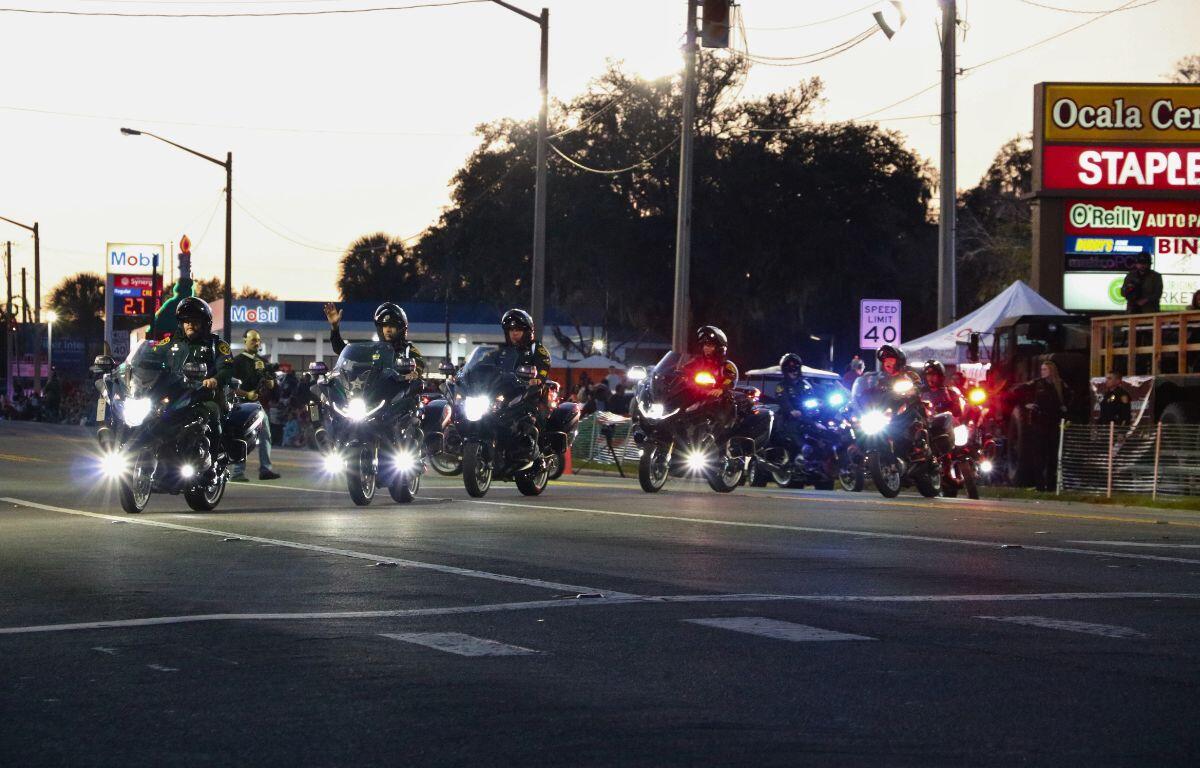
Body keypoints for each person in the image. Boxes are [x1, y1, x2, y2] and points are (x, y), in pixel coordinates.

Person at [157, 297, 235, 450]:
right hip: (172, 396)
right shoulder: (168, 343)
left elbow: (227, 368)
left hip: (203, 396)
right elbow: (150, 358)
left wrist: (214, 380)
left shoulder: (216, 345)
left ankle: (213, 455)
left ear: (205, 323)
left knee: (212, 411)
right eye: (186, 321)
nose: (190, 324)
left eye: (195, 321)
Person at [495, 309, 552, 465]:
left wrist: (538, 378)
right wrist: (464, 373)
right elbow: (485, 364)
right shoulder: (503, 351)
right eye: (511, 330)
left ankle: (540, 451)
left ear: (527, 331)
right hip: (506, 392)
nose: (514, 333)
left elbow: (544, 362)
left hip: (529, 392)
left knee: (536, 416)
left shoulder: (535, 348)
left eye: (518, 330)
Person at [229, 329, 280, 482]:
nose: (256, 343)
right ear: (245, 340)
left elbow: (271, 385)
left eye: (258, 340)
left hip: (256, 404)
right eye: (253, 340)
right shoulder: (237, 361)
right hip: (240, 403)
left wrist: (267, 376)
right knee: (241, 436)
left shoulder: (261, 361)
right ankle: (237, 472)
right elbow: (230, 386)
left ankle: (265, 469)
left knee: (265, 435)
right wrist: (246, 394)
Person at [1018, 361, 1070, 492]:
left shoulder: (1060, 384)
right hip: (1039, 423)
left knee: (1052, 456)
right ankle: (1040, 486)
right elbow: (1019, 390)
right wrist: (1026, 404)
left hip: (1053, 424)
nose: (1042, 372)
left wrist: (1065, 408)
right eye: (1042, 369)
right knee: (1039, 456)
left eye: (1045, 369)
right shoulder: (1037, 383)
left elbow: (1070, 397)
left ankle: (1051, 486)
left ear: (1051, 370)